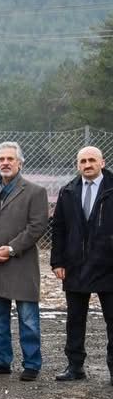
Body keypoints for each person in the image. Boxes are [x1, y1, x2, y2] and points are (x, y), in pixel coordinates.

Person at [0, 141, 48, 381]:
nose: (5, 163)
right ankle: (1, 361)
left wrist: (11, 248)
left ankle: (32, 364)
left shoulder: (35, 191)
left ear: (20, 163)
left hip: (22, 264)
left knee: (28, 319)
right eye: (1, 159)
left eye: (10, 159)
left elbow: (37, 226)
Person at [50, 146, 113, 385]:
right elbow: (59, 228)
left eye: (92, 160)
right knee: (75, 319)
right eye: (83, 161)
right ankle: (75, 366)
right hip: (76, 266)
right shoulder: (69, 191)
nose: (87, 165)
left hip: (108, 266)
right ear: (78, 165)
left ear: (102, 163)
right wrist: (57, 261)